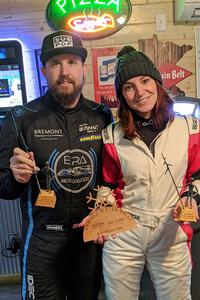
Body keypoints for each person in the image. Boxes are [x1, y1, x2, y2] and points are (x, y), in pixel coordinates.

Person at [0, 30, 113, 300]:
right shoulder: (19, 118)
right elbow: (4, 187)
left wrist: (107, 213)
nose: (64, 71)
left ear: (83, 68)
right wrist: (16, 177)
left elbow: (111, 177)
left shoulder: (102, 115)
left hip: (88, 239)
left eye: (72, 62)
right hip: (41, 242)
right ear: (44, 71)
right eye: (55, 64)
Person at [95, 46, 200, 300]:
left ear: (157, 82)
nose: (140, 92)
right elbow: (107, 184)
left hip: (171, 231)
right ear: (122, 95)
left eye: (145, 81)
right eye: (129, 87)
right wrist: (103, 211)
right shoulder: (111, 135)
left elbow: (197, 174)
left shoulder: (190, 127)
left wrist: (192, 197)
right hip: (124, 233)